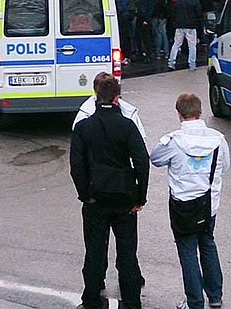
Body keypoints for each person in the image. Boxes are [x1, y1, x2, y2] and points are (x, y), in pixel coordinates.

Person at [69, 74, 148, 309]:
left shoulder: (84, 127)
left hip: (96, 198)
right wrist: (140, 197)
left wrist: (85, 194)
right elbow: (141, 161)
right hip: (124, 197)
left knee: (94, 252)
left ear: (96, 96)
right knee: (127, 254)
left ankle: (92, 300)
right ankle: (132, 302)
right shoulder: (127, 125)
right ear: (117, 98)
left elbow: (77, 165)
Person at [150, 93, 230, 309]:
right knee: (208, 243)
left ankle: (194, 301)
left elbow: (155, 159)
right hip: (208, 205)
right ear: (200, 111)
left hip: (183, 206)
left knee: (187, 251)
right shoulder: (218, 139)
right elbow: (225, 166)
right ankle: (215, 295)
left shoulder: (173, 141)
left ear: (179, 114)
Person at [168, 0, 202, 71]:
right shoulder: (195, 1)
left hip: (179, 25)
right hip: (191, 25)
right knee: (192, 46)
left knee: (176, 44)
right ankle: (192, 64)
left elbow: (174, 12)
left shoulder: (180, 0)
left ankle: (171, 62)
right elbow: (198, 13)